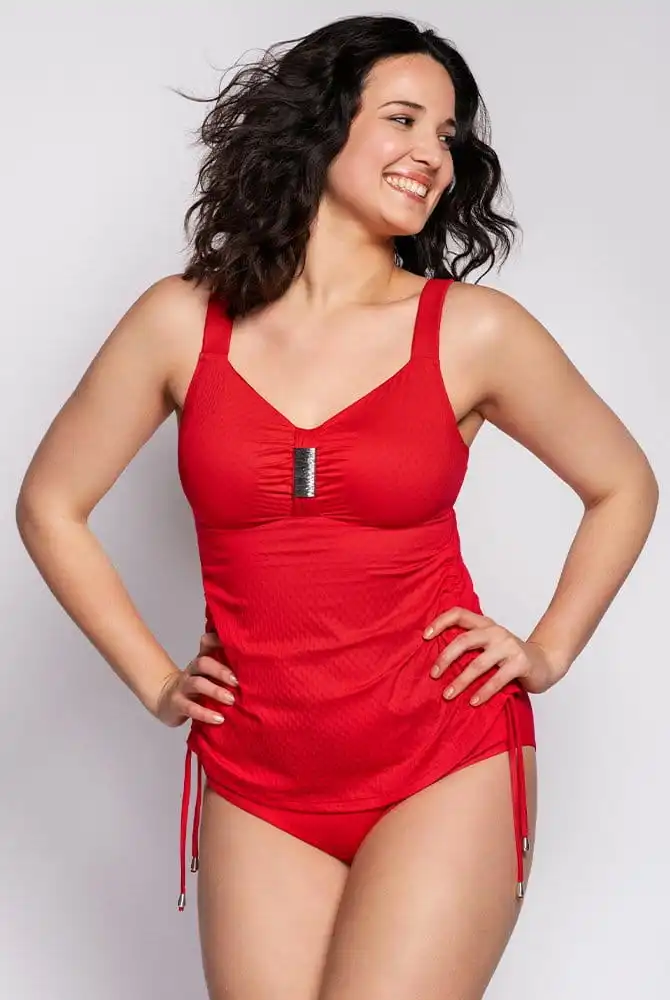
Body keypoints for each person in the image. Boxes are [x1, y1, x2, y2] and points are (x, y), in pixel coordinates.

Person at [16, 14, 658, 1000]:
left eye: (447, 135)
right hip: (256, 775)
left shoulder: (472, 331)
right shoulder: (181, 321)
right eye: (403, 119)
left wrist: (547, 649)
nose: (432, 154)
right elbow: (50, 503)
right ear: (321, 127)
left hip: (441, 758)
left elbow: (622, 484)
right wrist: (155, 680)